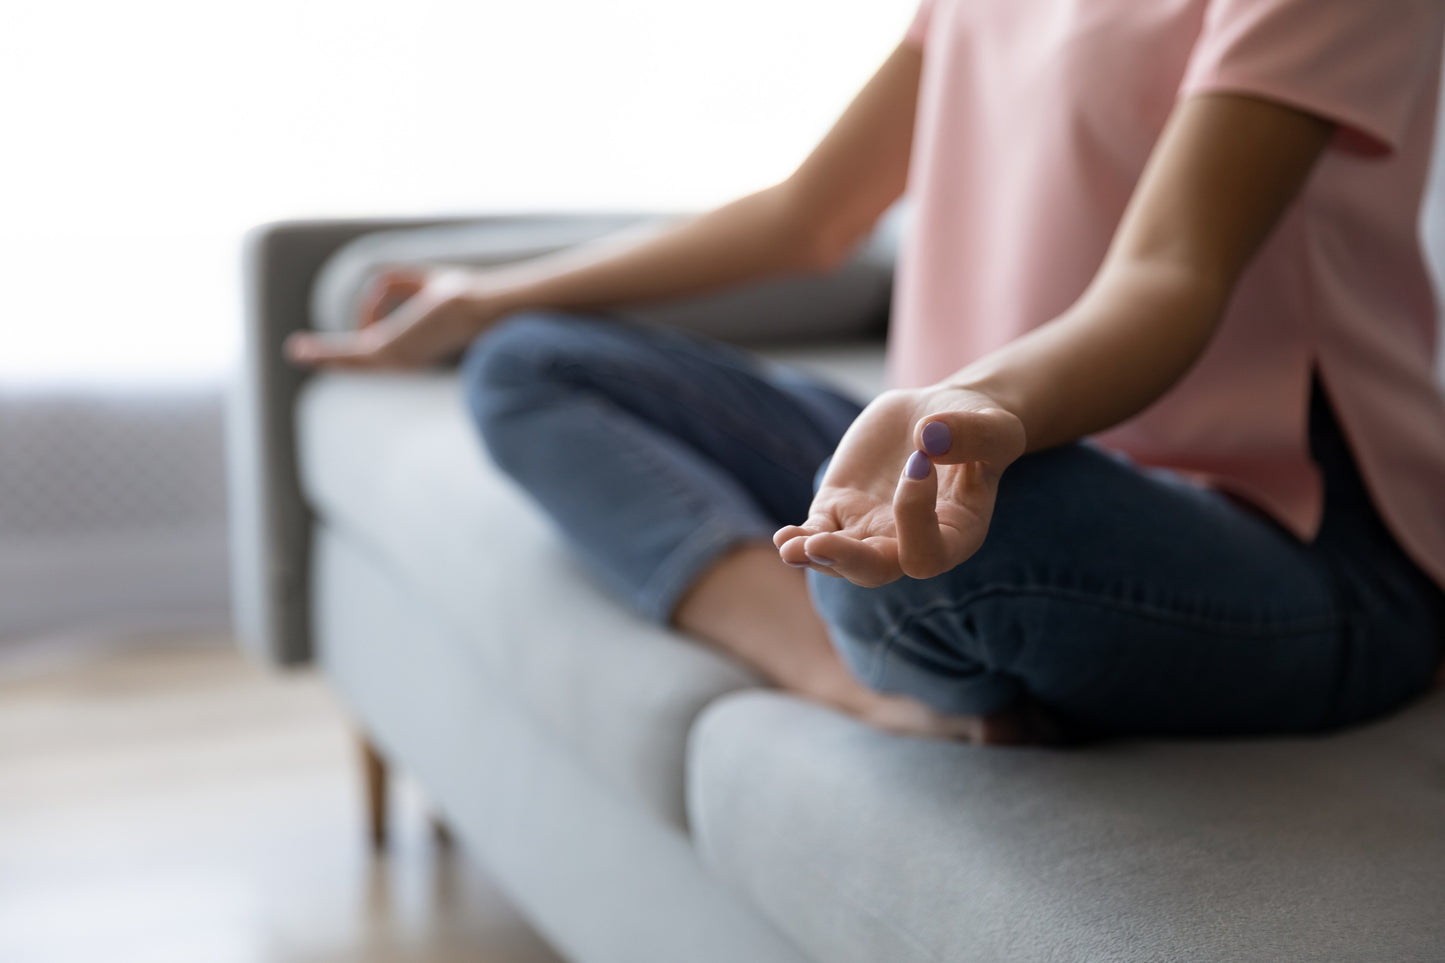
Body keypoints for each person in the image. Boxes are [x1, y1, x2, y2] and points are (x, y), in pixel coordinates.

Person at [288, 0, 1445, 745]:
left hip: (1289, 539)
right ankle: (835, 671)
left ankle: (877, 615)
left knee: (902, 556)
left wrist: (974, 407)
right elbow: (811, 214)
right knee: (527, 364)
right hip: (969, 449)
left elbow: (1167, 275)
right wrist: (490, 293)